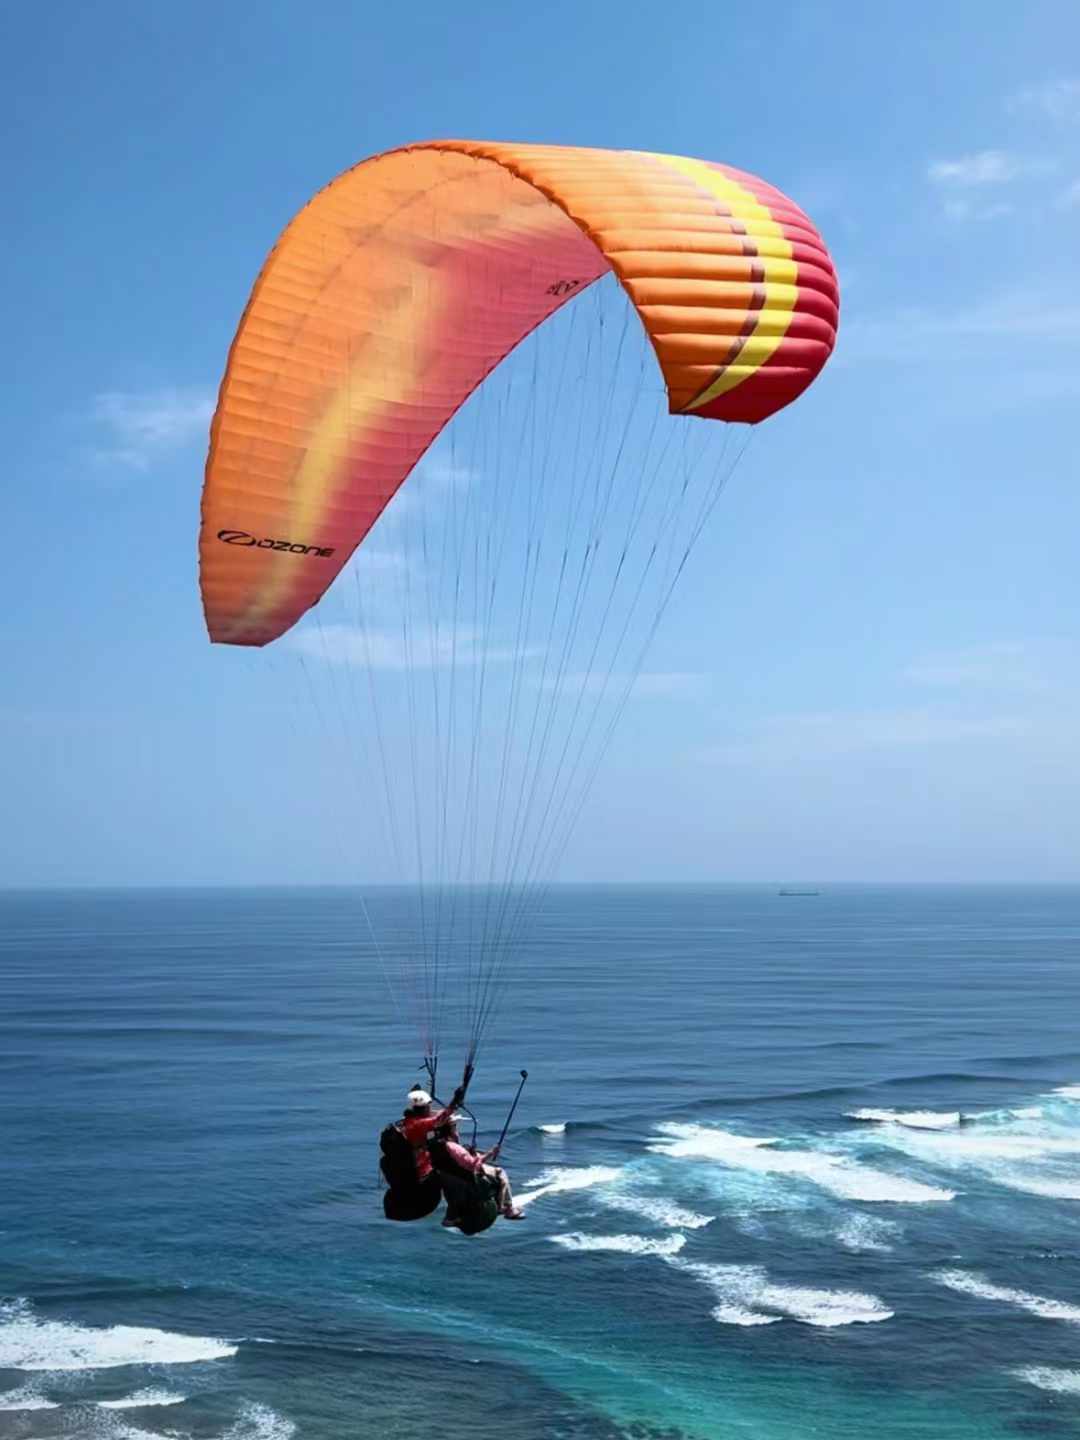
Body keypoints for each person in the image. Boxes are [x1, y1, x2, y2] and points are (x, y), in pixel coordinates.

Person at [429, 1115, 525, 1222]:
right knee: (500, 1172)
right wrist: (491, 1153)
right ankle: (506, 1208)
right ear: (449, 1128)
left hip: (451, 1173)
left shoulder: (436, 1143)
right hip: (467, 1174)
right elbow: (472, 1164)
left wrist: (474, 1154)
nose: (456, 1128)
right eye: (454, 1125)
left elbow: (458, 1158)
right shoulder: (452, 1146)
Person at [399, 1081, 467, 1183]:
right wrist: (455, 1100)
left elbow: (436, 1116)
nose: (430, 1108)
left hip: (414, 1163)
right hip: (423, 1169)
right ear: (425, 1107)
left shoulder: (408, 1120)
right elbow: (440, 1118)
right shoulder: (419, 1123)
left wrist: (454, 1106)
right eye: (428, 1106)